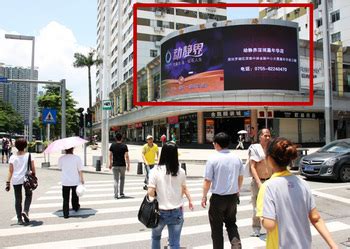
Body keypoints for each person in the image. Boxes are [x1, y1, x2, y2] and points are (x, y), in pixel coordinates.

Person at [257, 137, 338, 249]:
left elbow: (269, 225)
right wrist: (333, 245)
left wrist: (261, 218)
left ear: (269, 159)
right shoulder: (302, 183)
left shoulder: (268, 187)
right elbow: (316, 218)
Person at [201, 132, 244, 249]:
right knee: (231, 224)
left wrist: (204, 196)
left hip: (218, 198)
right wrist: (237, 190)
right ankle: (236, 246)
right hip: (232, 197)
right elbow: (240, 177)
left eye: (214, 143)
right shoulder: (237, 158)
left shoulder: (213, 159)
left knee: (216, 228)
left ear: (217, 144)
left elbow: (207, 180)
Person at [147, 142, 194, 249]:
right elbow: (183, 188)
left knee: (156, 237)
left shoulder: (155, 171)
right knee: (174, 243)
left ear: (162, 154)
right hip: (176, 211)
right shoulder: (181, 171)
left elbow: (150, 192)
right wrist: (189, 200)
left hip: (159, 212)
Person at [5, 138, 35, 225]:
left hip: (16, 179)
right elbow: (33, 168)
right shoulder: (29, 155)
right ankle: (25, 211)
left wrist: (8, 182)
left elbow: (10, 171)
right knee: (28, 195)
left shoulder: (12, 157)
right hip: (27, 180)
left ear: (16, 146)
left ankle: (19, 219)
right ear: (25, 146)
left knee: (18, 199)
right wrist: (34, 177)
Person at [248, 128, 272, 237]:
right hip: (258, 182)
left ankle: (270, 228)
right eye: (265, 135)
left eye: (269, 135)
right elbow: (252, 166)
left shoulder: (272, 149)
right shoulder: (255, 148)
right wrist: (258, 182)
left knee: (271, 206)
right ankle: (256, 228)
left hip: (271, 181)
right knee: (257, 207)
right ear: (260, 137)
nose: (267, 137)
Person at [58, 147, 84, 219]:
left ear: (65, 150)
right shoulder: (77, 158)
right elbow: (80, 170)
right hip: (75, 180)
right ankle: (75, 207)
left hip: (65, 181)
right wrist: (82, 179)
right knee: (75, 196)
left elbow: (60, 168)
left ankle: (65, 213)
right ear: (72, 149)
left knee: (65, 198)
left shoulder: (61, 158)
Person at [109, 132, 130, 199]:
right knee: (122, 179)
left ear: (115, 138)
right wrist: (128, 165)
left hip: (115, 165)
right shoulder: (124, 146)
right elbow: (127, 156)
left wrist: (110, 163)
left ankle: (115, 195)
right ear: (122, 138)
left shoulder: (112, 145)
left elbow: (110, 155)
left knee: (115, 179)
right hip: (122, 165)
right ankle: (121, 193)